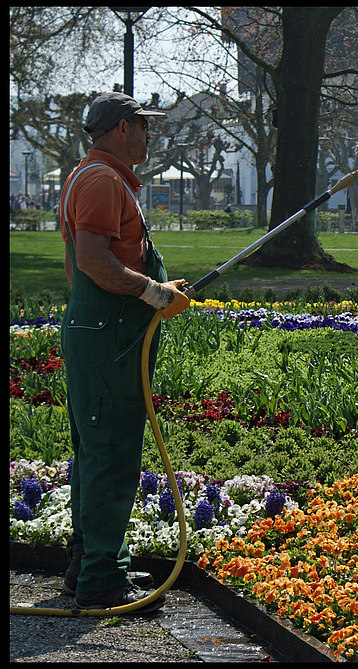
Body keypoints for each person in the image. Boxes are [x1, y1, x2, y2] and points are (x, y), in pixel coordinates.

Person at [58, 92, 190, 613]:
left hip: (106, 331)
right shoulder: (101, 181)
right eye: (143, 125)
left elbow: (112, 258)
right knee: (110, 455)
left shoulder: (102, 178)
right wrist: (152, 292)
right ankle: (101, 583)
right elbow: (93, 260)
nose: (149, 135)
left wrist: (156, 284)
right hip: (107, 334)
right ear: (119, 128)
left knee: (98, 452)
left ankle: (89, 563)